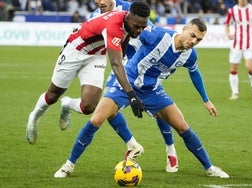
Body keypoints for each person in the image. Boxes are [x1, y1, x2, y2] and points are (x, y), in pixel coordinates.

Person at [54, 18, 230, 179]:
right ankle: (68, 165)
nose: (193, 41)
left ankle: (209, 168)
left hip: (151, 90)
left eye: (199, 40)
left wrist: (206, 100)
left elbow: (195, 73)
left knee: (183, 126)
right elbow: (130, 30)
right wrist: (120, 52)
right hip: (126, 84)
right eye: (192, 35)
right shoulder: (158, 35)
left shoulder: (190, 55)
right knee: (96, 119)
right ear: (184, 29)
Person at [59, 0, 178, 173]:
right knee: (106, 109)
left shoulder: (131, 10)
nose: (101, 3)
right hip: (122, 65)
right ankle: (132, 145)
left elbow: (151, 33)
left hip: (145, 65)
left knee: (159, 109)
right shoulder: (96, 16)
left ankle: (170, 150)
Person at [25, 1, 150, 145]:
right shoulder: (114, 26)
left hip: (97, 55)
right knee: (53, 95)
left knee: (89, 106)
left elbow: (121, 51)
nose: (139, 30)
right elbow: (115, 64)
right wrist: (131, 95)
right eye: (137, 27)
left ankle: (67, 104)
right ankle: (34, 117)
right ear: (128, 18)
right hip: (76, 48)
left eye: (143, 27)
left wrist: (124, 67)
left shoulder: (130, 23)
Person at [225, 0, 252, 100]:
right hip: (237, 44)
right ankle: (235, 93)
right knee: (233, 69)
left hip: (250, 44)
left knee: (250, 67)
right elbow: (227, 25)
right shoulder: (232, 10)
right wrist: (228, 34)